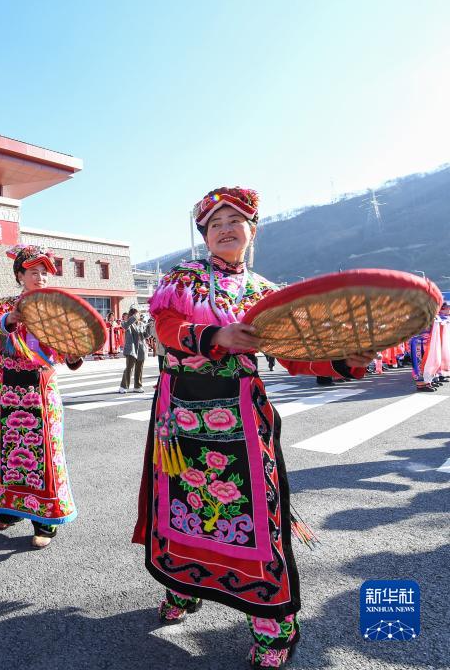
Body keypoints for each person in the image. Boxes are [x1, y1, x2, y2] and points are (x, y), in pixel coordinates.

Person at [131, 187, 375, 668]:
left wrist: (345, 361)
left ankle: (272, 622)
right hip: (178, 416)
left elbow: (294, 355)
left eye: (235, 221)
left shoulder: (266, 294)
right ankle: (183, 586)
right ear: (204, 235)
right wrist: (215, 334)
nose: (225, 229)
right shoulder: (182, 279)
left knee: (257, 512)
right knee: (180, 503)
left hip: (242, 414)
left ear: (252, 231)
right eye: (215, 223)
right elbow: (165, 327)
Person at [0, 244, 82, 549]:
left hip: (40, 389)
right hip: (9, 389)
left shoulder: (56, 309)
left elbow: (69, 351)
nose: (40, 278)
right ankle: (8, 511)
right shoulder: (4, 306)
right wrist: (12, 319)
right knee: (7, 450)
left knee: (43, 452)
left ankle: (45, 521)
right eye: (34, 272)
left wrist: (74, 352)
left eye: (44, 273)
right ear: (19, 275)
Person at [118, 308, 148, 393]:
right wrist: (134, 317)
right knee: (129, 368)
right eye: (136, 314)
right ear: (131, 315)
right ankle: (123, 386)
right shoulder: (126, 323)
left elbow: (145, 335)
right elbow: (125, 326)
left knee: (139, 368)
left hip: (141, 348)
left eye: (138, 314)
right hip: (131, 349)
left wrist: (150, 327)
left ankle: (137, 386)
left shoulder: (141, 324)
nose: (138, 316)